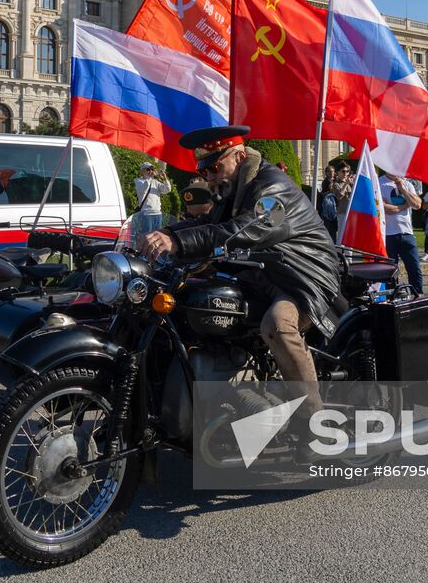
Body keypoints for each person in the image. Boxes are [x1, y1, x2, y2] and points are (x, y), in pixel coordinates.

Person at [142, 125, 340, 428]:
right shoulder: (234, 188)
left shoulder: (271, 186)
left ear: (239, 156)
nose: (210, 177)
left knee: (277, 325)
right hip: (261, 273)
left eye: (215, 168)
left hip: (300, 276)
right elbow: (209, 223)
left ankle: (313, 421)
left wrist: (178, 242)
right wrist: (164, 233)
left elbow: (243, 231)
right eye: (205, 171)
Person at [379, 169, 425, 293]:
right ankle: (391, 297)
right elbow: (385, 208)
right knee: (390, 271)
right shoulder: (379, 183)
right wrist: (405, 205)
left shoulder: (407, 184)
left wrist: (402, 189)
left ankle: (418, 294)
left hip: (406, 233)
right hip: (388, 234)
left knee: (414, 269)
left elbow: (417, 204)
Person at [132, 162, 171, 237]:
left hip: (158, 214)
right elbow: (144, 189)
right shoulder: (138, 181)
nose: (151, 171)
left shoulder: (155, 182)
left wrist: (165, 179)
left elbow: (167, 189)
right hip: (146, 214)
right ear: (142, 171)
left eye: (152, 169)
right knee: (147, 236)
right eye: (148, 169)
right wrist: (150, 177)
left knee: (157, 237)